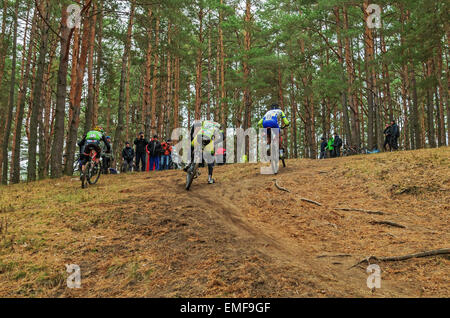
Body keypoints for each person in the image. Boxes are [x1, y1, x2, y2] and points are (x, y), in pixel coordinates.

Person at [185, 120, 222, 184]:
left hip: (199, 137)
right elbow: (222, 136)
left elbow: (194, 125)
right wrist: (215, 142)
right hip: (209, 142)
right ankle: (209, 178)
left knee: (191, 146)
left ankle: (188, 163)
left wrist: (191, 137)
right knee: (211, 160)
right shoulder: (218, 126)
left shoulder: (205, 122)